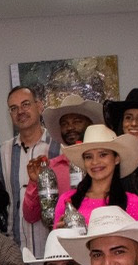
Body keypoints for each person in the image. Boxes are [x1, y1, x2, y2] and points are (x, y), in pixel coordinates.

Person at [21, 93, 102, 228]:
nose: (70, 127)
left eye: (77, 121)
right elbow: (30, 216)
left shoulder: (102, 165)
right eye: (64, 123)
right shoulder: (51, 168)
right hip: (62, 244)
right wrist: (36, 182)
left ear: (90, 124)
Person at [6, 84, 60, 260]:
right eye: (14, 108)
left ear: (40, 106)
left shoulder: (60, 148)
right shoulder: (3, 152)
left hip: (55, 249)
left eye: (25, 104)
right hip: (16, 251)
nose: (20, 111)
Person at [56, 124, 138, 225]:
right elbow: (55, 239)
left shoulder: (132, 202)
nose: (95, 162)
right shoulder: (67, 200)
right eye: (88, 157)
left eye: (103, 155)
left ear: (116, 158)